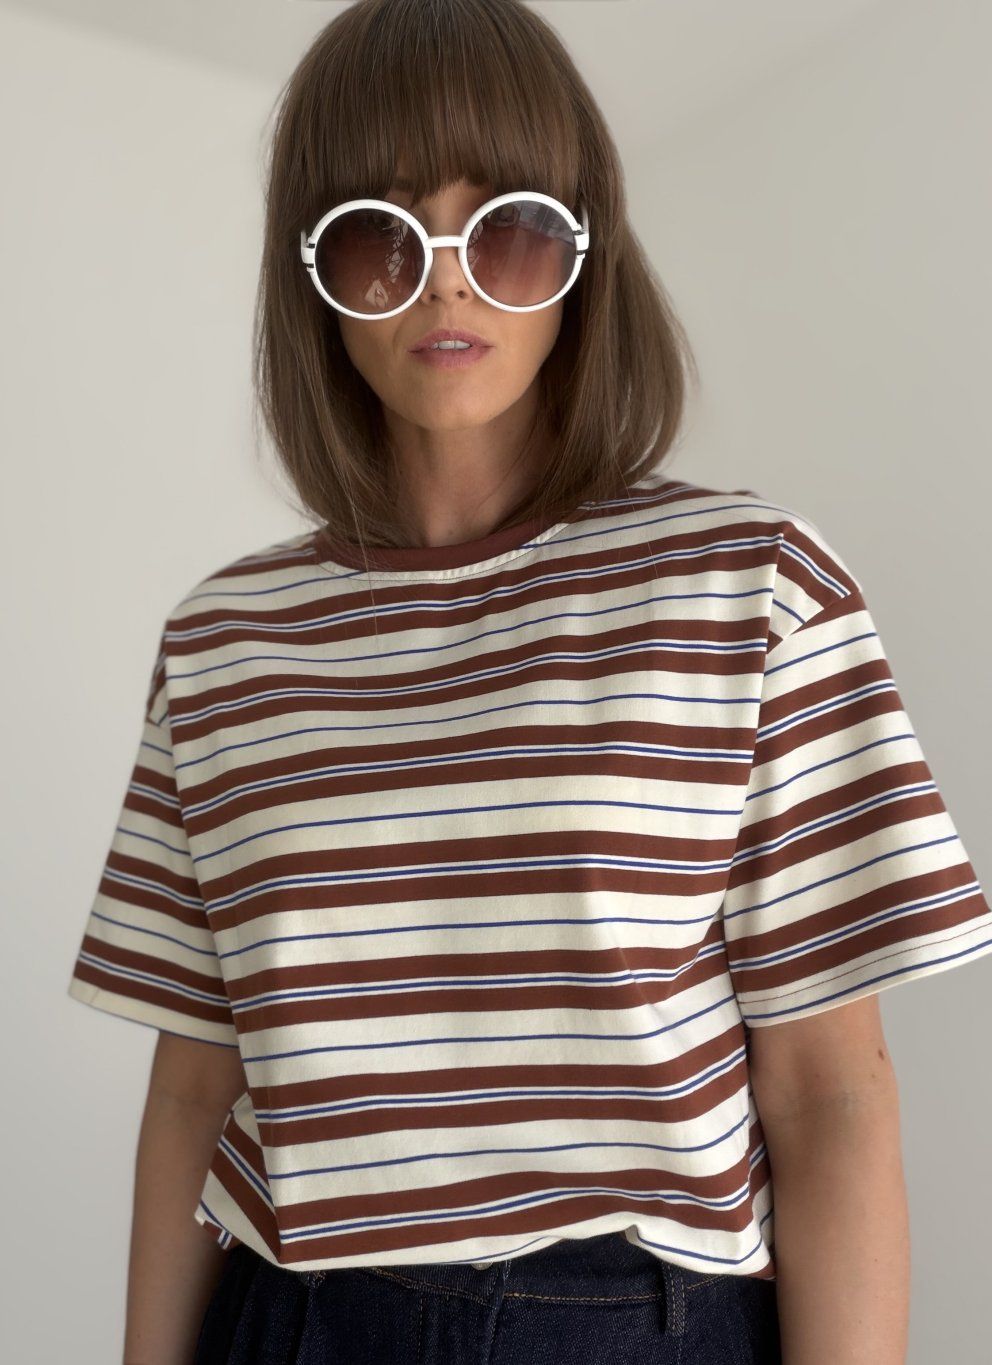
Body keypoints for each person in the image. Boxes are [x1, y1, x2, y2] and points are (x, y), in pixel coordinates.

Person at [65, 1, 992, 1362]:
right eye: (381, 237)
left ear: (583, 254)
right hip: (290, 1317)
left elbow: (830, 1094)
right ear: (311, 275)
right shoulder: (225, 641)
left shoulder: (754, 587)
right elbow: (195, 1086)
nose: (447, 285)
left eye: (507, 229)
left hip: (633, 1323)